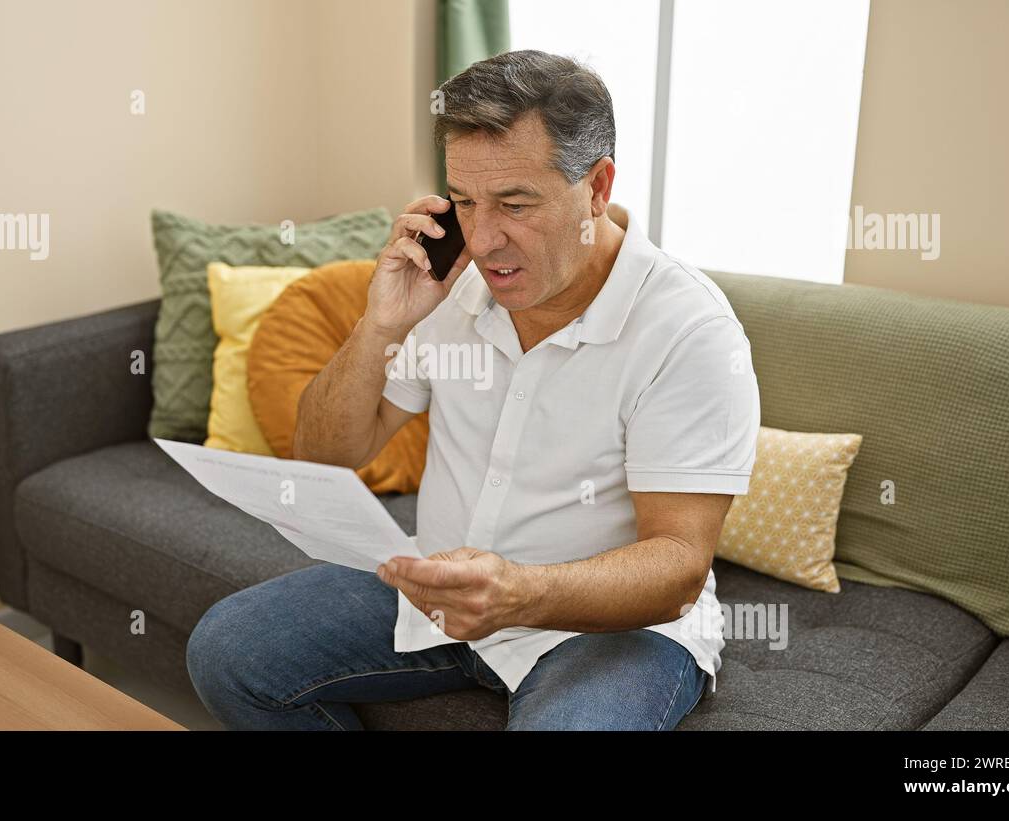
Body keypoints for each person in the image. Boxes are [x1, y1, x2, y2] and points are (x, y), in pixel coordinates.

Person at [186, 49, 759, 730]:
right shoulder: (453, 285)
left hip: (607, 630)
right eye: (464, 200)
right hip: (443, 591)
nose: (484, 240)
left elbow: (677, 567)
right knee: (227, 650)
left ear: (598, 187)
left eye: (516, 203)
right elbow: (325, 453)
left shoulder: (687, 328)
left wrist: (517, 594)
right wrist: (381, 324)